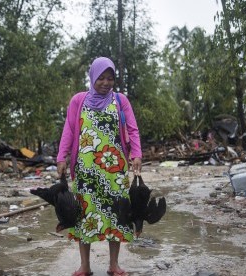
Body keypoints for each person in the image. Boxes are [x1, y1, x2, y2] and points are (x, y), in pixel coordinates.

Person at [57, 57, 142, 276]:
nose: (105, 82)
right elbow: (69, 130)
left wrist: (137, 154)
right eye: (101, 78)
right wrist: (61, 157)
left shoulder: (120, 100)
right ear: (93, 76)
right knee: (84, 216)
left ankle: (114, 265)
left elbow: (133, 130)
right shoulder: (79, 100)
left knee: (117, 215)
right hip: (85, 171)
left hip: (115, 171)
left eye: (110, 78)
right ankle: (85, 266)